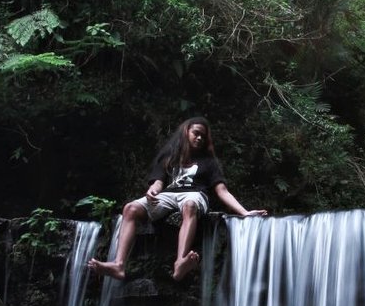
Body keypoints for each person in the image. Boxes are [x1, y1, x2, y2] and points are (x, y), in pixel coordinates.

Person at [88, 116, 267, 282]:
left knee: (189, 205)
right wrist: (152, 192)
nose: (199, 138)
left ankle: (180, 262)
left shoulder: (209, 162)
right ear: (186, 132)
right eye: (196, 134)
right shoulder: (168, 158)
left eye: (203, 137)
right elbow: (158, 183)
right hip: (168, 195)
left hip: (195, 195)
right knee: (130, 209)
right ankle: (119, 265)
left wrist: (245, 212)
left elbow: (222, 191)